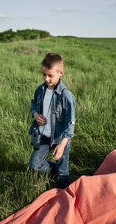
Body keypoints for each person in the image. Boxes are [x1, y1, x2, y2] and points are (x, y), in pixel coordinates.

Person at [28, 53, 75, 188]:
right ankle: (56, 172)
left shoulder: (65, 95)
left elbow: (70, 122)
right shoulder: (40, 90)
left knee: (63, 171)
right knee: (34, 164)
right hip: (43, 135)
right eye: (44, 75)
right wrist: (35, 114)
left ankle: (64, 188)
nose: (46, 79)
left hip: (59, 139)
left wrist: (62, 145)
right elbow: (33, 104)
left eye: (50, 76)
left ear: (61, 73)